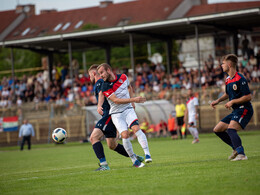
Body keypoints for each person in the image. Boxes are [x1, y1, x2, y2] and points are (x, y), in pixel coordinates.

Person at [88, 65, 144, 171]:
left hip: (109, 115)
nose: (89, 78)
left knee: (93, 138)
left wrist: (99, 106)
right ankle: (135, 157)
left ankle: (104, 165)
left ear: (93, 74)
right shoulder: (103, 82)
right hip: (112, 115)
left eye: (89, 75)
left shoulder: (100, 83)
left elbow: (102, 94)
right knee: (112, 145)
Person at [210, 54, 253, 161]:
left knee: (231, 129)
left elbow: (248, 96)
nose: (221, 65)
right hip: (236, 111)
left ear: (229, 65)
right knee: (217, 129)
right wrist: (217, 101)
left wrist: (233, 101)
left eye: (223, 63)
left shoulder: (240, 78)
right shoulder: (228, 79)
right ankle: (235, 148)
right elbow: (228, 94)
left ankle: (241, 154)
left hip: (244, 109)